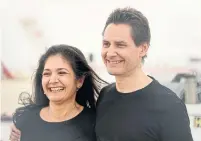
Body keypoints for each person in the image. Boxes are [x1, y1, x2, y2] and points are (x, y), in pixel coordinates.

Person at [10, 7, 193, 141]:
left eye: (120, 45)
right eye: (106, 44)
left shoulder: (169, 106)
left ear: (143, 48)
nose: (110, 52)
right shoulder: (105, 96)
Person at [9, 44, 107, 141]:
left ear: (79, 81)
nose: (53, 80)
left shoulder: (95, 123)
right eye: (47, 74)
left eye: (62, 73)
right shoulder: (26, 119)